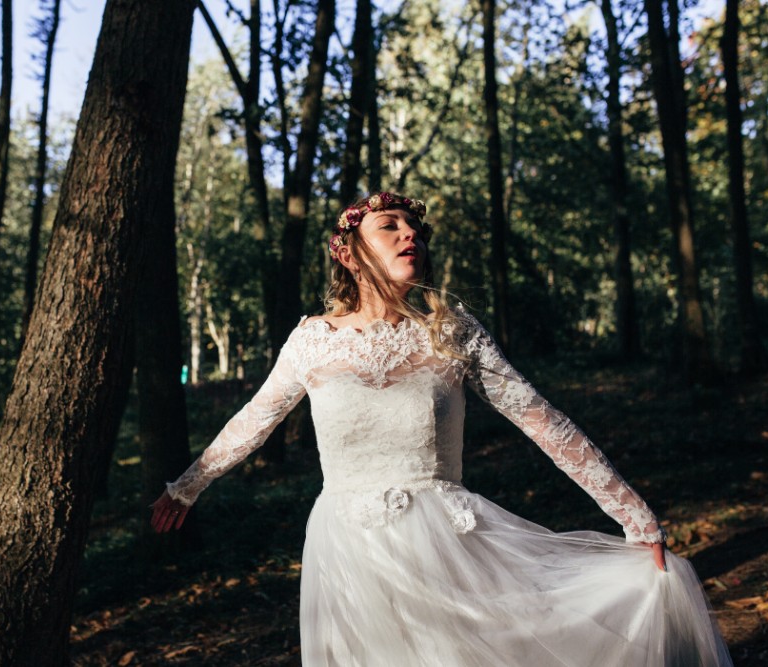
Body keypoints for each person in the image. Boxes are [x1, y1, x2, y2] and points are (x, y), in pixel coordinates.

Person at [151, 192, 732, 666]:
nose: (411, 236)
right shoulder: (312, 340)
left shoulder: (452, 332)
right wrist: (187, 485)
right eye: (390, 226)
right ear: (350, 254)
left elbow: (542, 420)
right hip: (346, 548)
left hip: (447, 543)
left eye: (415, 230)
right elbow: (255, 418)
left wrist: (631, 512)